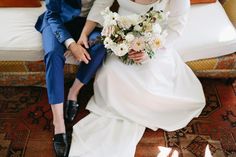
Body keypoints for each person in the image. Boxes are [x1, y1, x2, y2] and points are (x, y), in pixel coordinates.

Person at [69, 0, 206, 156]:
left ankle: (135, 108)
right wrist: (84, 34)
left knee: (147, 84)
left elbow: (177, 27)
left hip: (154, 45)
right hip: (120, 43)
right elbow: (101, 5)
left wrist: (150, 51)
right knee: (110, 73)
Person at [35, 0, 106, 156]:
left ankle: (73, 92)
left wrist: (84, 35)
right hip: (57, 20)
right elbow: (53, 14)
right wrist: (72, 45)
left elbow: (101, 5)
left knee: (101, 46)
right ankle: (58, 122)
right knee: (53, 54)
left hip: (89, 23)